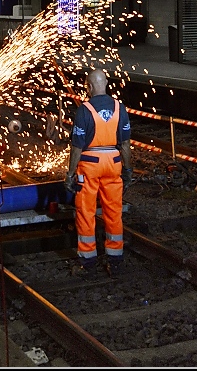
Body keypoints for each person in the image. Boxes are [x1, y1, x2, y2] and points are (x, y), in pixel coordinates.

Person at [64, 68, 133, 276]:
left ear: (90, 86)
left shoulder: (84, 109)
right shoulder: (119, 108)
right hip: (113, 163)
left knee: (86, 213)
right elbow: (126, 145)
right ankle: (116, 261)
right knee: (114, 213)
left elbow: (77, 147)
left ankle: (88, 263)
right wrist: (128, 169)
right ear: (106, 84)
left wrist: (70, 174)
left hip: (90, 165)